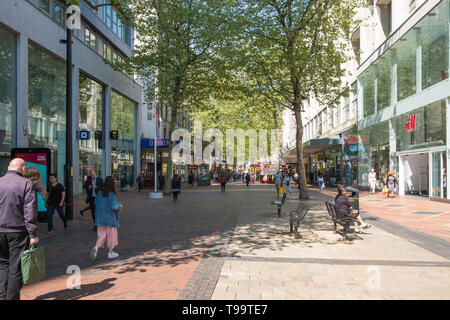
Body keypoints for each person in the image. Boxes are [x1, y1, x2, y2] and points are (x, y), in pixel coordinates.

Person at [0, 158, 39, 300]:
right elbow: (30, 211)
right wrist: (32, 233)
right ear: (23, 169)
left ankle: (2, 296)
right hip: (17, 231)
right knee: (16, 268)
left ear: (9, 167)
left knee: (3, 265)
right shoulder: (26, 184)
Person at [90, 176, 123, 260]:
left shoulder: (99, 193)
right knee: (112, 236)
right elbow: (114, 207)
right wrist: (120, 205)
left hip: (100, 218)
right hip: (110, 219)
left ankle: (96, 247)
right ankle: (110, 252)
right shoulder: (112, 195)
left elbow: (95, 203)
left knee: (101, 235)